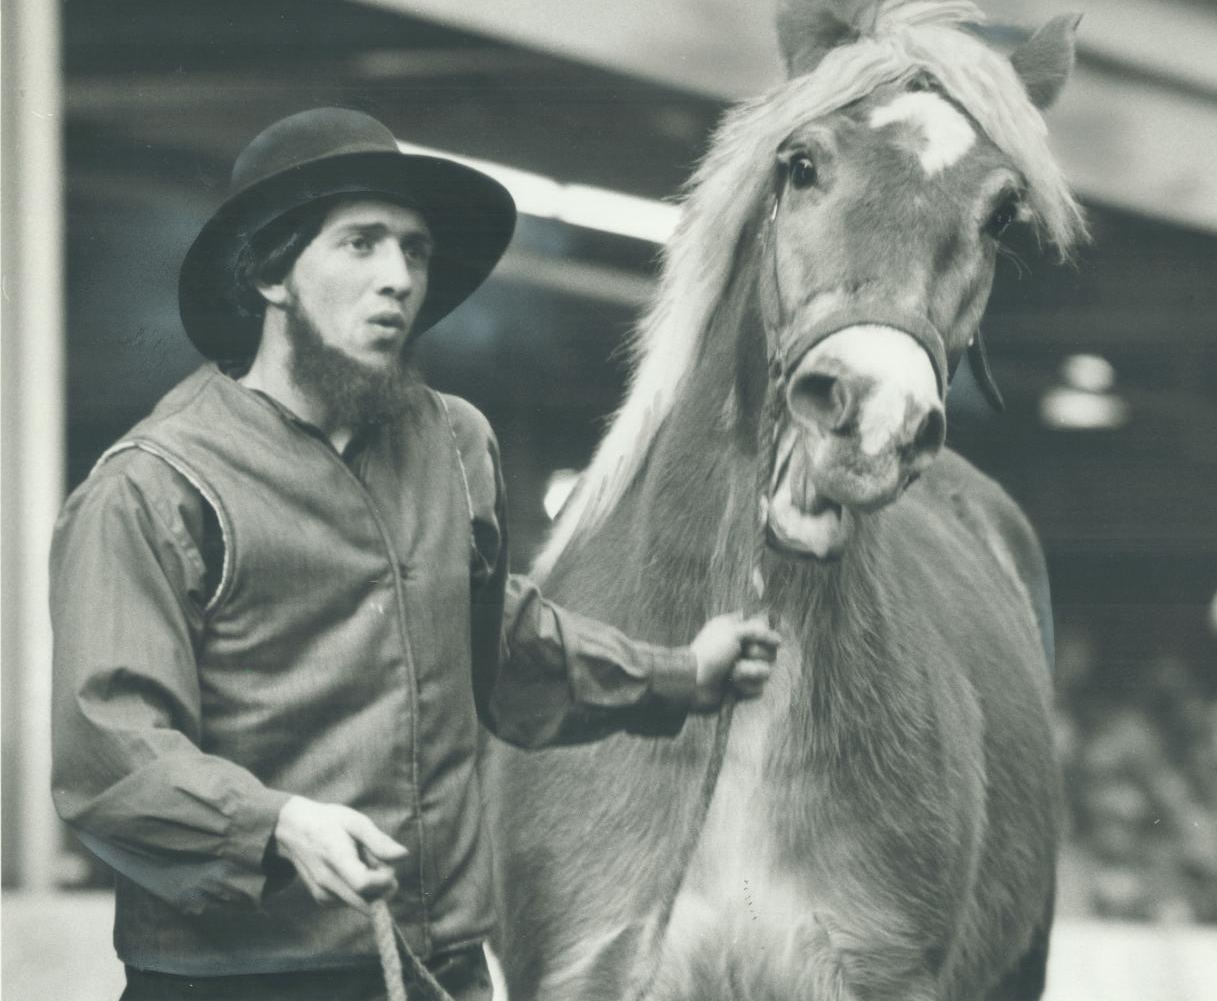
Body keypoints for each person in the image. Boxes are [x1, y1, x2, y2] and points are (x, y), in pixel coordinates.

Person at [49, 107, 780, 1001]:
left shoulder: (452, 445)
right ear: (271, 274)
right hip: (240, 977)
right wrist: (276, 826)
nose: (398, 278)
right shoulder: (155, 487)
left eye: (415, 250)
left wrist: (680, 674)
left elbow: (495, 644)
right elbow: (109, 754)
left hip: (441, 967)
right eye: (361, 244)